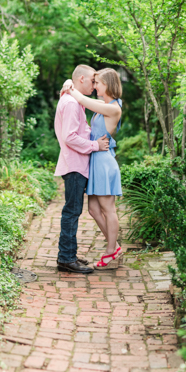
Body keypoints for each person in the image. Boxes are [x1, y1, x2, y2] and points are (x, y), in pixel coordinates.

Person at [61, 67, 123, 269]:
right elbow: (83, 101)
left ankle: (110, 250)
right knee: (94, 209)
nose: (95, 86)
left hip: (104, 161)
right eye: (94, 82)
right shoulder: (104, 104)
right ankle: (115, 247)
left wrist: (70, 87)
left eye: (98, 83)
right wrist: (69, 84)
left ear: (108, 85)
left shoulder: (114, 108)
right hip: (95, 159)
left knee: (108, 209)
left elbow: (83, 101)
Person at [54, 64, 109, 274]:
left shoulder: (74, 100)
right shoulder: (70, 104)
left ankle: (69, 254)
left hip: (77, 164)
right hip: (75, 165)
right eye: (93, 80)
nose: (95, 85)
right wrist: (95, 145)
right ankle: (66, 259)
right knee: (72, 212)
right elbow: (70, 137)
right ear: (82, 79)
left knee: (73, 211)